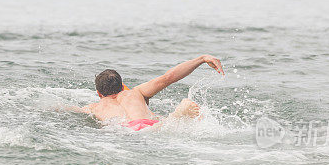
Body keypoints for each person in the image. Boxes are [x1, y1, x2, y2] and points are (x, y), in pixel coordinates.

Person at [73, 55, 224, 130]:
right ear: (122, 85)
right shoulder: (135, 92)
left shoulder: (93, 107)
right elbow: (168, 78)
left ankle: (177, 117)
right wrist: (202, 59)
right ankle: (177, 116)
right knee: (162, 122)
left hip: (126, 131)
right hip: (150, 124)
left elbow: (68, 110)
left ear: (99, 93)